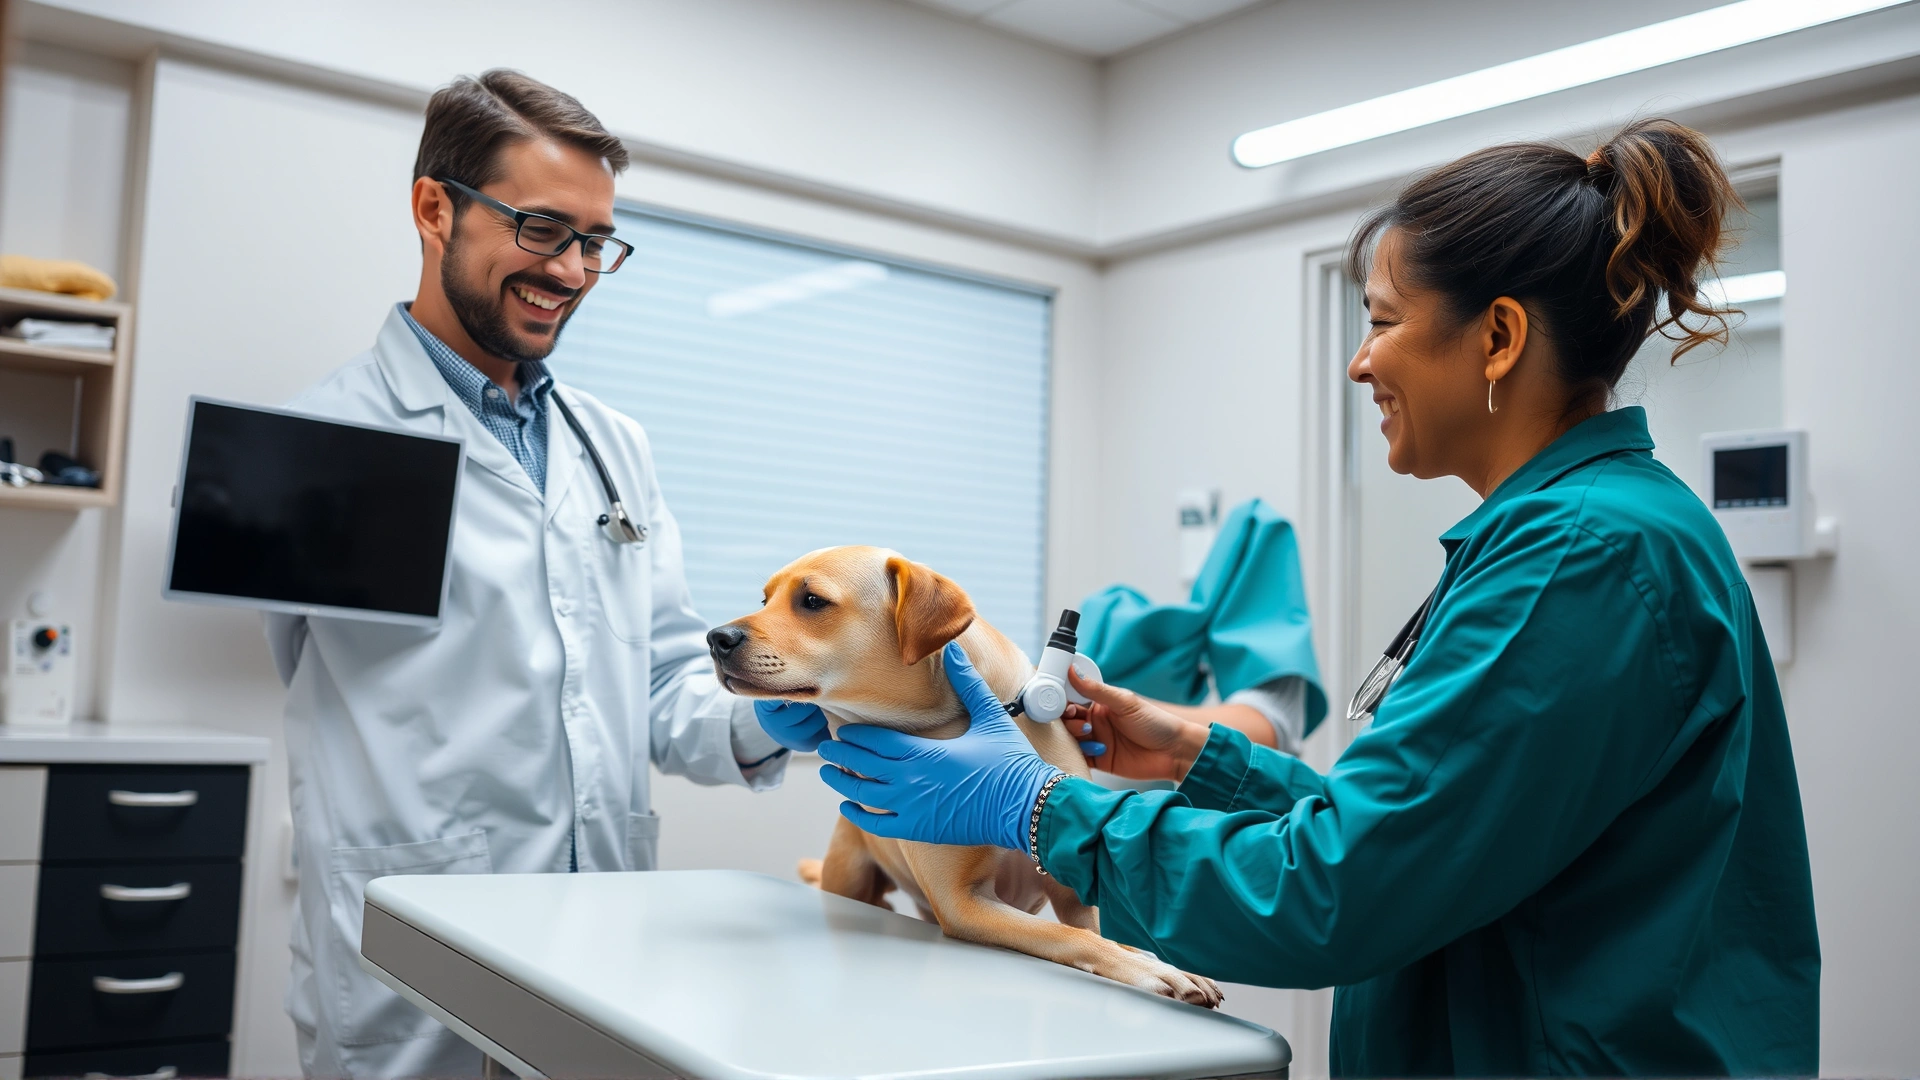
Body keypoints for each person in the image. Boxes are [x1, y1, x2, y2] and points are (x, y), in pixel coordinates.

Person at [783, 119, 1821, 1077]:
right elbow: (1429, 825)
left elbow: (1341, 889)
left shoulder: (1581, 553)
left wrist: (1041, 807)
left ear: (1498, 338)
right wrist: (1197, 757)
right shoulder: (1574, 529)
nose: (1362, 360)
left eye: (1382, 321)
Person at [266, 71, 789, 1078]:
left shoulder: (616, 447)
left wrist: (787, 708)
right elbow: (322, 682)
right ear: (434, 209)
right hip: (416, 946)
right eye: (545, 229)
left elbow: (660, 686)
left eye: (597, 242)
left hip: (602, 946)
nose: (576, 270)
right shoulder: (323, 441)